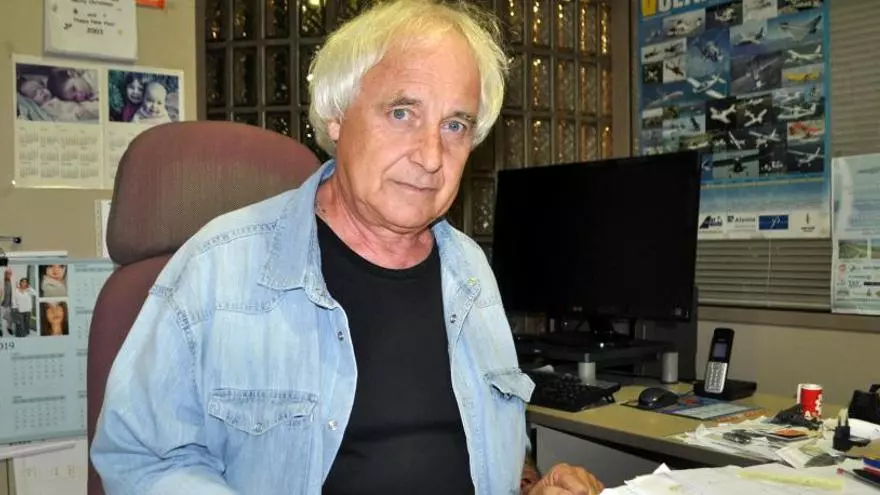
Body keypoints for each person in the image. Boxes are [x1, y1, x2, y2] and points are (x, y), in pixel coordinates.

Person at [90, 1, 604, 494]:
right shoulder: (218, 267)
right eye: (402, 113)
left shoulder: (471, 272)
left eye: (455, 125)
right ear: (336, 117)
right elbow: (141, 462)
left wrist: (530, 485)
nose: (431, 156)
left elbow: (481, 442)